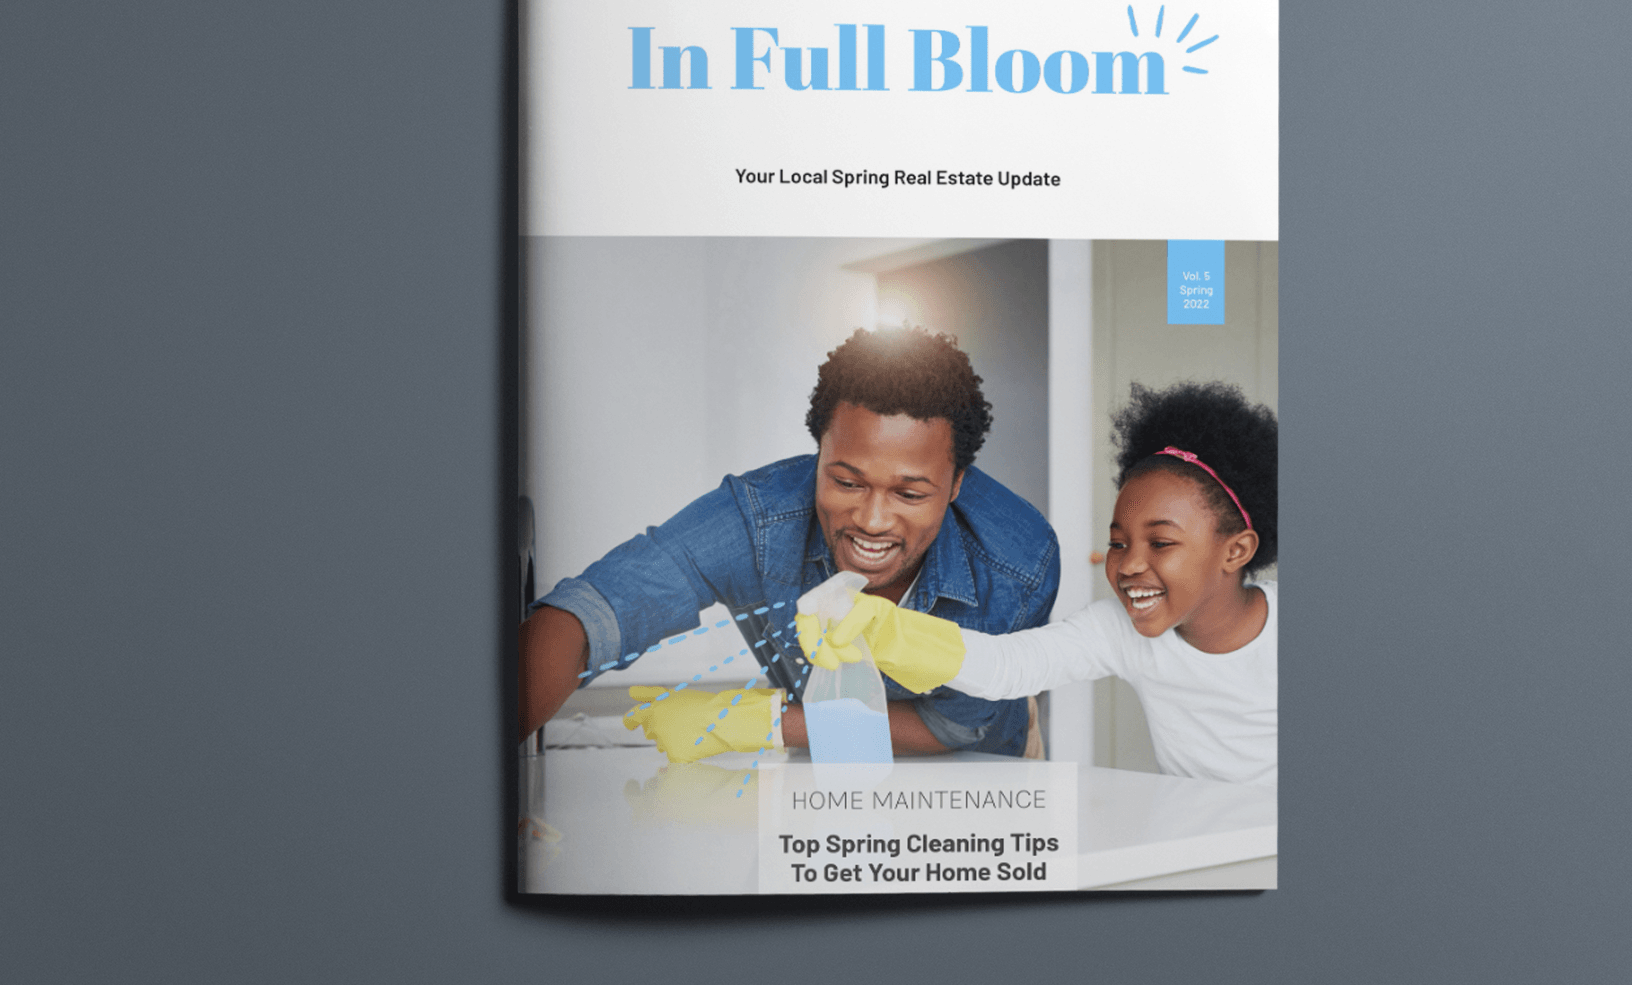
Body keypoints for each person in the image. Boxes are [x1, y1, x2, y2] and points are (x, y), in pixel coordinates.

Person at [518, 325, 1060, 758]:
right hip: (821, 760)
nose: (872, 520)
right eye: (846, 482)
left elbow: (951, 729)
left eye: (909, 494)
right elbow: (591, 616)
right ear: (817, 456)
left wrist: (764, 723)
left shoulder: (1018, 565)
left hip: (978, 778)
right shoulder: (757, 522)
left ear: (956, 485)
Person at [802, 380, 1277, 785]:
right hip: (1202, 835)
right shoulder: (1121, 630)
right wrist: (891, 632)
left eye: (1161, 544)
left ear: (1236, 551)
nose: (1129, 565)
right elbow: (1011, 666)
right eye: (1118, 543)